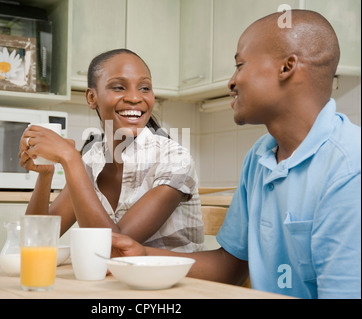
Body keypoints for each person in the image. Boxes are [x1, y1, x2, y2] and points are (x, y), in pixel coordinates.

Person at [111, 10, 361, 299]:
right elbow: (229, 266)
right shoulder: (260, 157)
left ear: (287, 67)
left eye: (240, 65)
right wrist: (143, 255)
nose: (231, 82)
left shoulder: (349, 167)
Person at [19, 48, 204, 252]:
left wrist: (70, 158)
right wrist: (46, 176)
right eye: (118, 87)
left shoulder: (173, 160)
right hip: (113, 283)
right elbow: (35, 241)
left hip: (173, 283)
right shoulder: (92, 161)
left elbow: (113, 250)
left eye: (144, 88)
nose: (135, 98)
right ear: (91, 98)